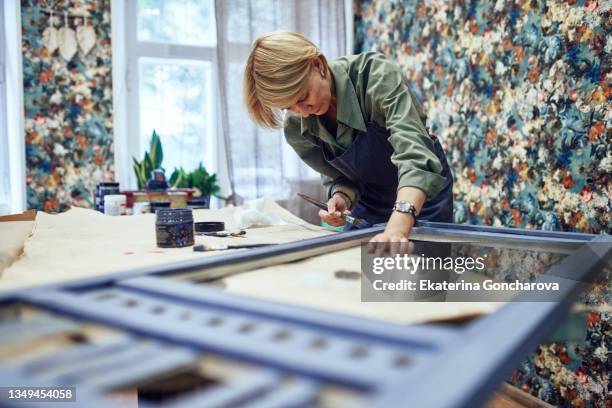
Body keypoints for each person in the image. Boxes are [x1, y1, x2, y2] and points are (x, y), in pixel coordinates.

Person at [243, 31, 453, 247]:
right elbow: (339, 177)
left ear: (317, 64)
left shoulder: (376, 76)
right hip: (371, 199)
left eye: (303, 97)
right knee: (356, 267)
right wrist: (340, 197)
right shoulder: (296, 127)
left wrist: (398, 224)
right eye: (289, 106)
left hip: (423, 195)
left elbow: (415, 157)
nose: (303, 112)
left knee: (421, 273)